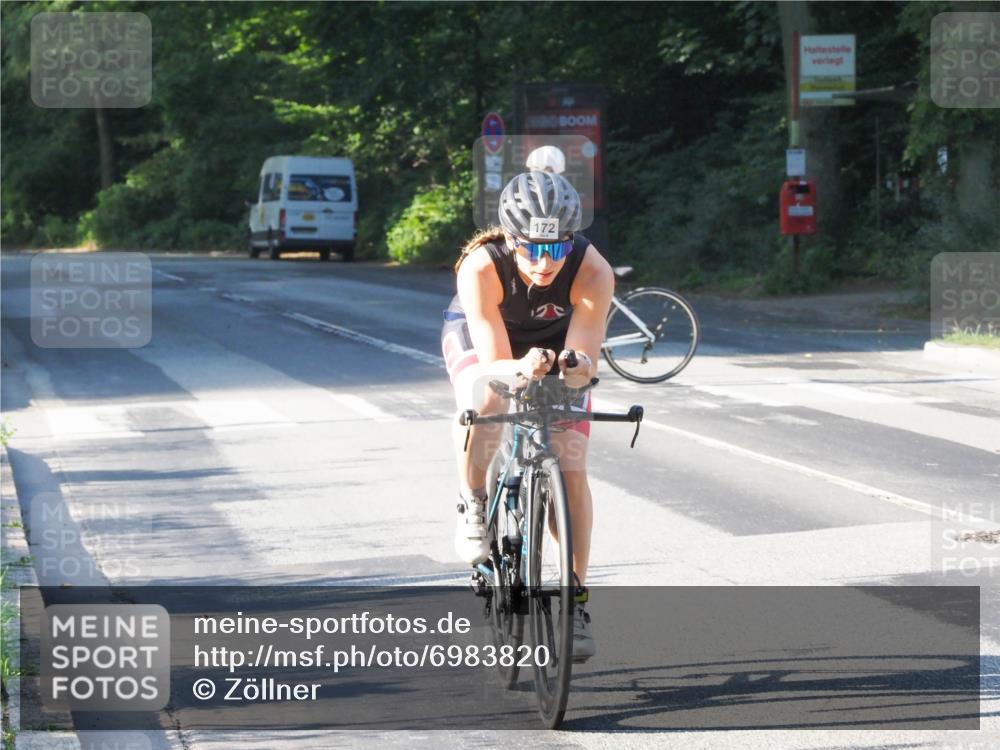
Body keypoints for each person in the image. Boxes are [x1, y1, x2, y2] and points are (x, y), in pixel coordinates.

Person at [440, 171, 614, 661]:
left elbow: (583, 366)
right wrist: (518, 369)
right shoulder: (481, 267)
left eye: (555, 249)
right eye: (531, 249)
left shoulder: (593, 270)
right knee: (486, 403)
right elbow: (495, 361)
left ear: (572, 242)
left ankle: (575, 599)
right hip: (486, 340)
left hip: (556, 343)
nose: (543, 262)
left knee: (572, 463)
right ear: (510, 239)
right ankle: (474, 501)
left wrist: (575, 368)